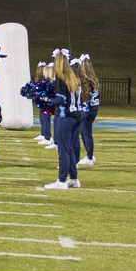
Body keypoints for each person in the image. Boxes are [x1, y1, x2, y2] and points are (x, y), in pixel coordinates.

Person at [43, 51, 83, 190]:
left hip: (66, 117)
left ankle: (61, 180)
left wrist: (47, 99)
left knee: (64, 149)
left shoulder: (61, 78)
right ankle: (73, 178)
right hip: (77, 116)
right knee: (70, 148)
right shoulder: (75, 77)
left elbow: (61, 99)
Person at [75, 55, 100, 168]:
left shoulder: (85, 80)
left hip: (86, 110)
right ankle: (90, 155)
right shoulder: (94, 79)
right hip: (93, 109)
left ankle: (89, 157)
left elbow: (83, 96)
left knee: (85, 133)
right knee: (87, 132)